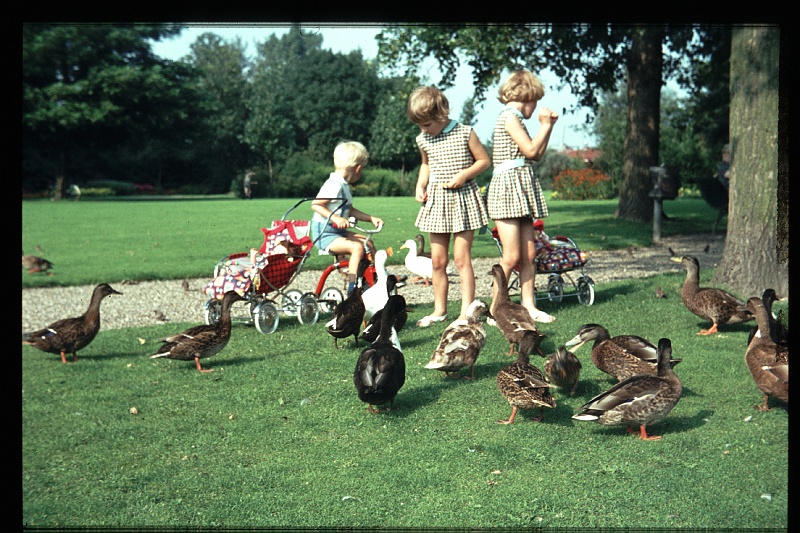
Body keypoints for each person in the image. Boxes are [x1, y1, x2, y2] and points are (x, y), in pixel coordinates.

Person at [406, 86, 491, 327]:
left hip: (463, 200)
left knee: (462, 259)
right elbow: (426, 165)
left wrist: (464, 175)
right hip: (437, 202)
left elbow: (484, 161)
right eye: (419, 125)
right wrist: (420, 185)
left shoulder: (465, 132)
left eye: (427, 124)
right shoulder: (423, 139)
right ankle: (439, 310)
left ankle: (466, 312)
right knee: (437, 261)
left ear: (441, 114)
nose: (423, 130)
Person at [486, 69, 558, 323]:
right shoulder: (509, 118)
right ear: (528, 97)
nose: (535, 107)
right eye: (535, 100)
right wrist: (545, 125)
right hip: (506, 189)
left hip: (521, 188)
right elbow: (530, 148)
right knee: (511, 256)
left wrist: (547, 128)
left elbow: (535, 154)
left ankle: (529, 306)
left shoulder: (516, 119)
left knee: (529, 255)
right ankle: (496, 308)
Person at [311, 141, 384, 296]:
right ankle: (353, 286)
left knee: (368, 242)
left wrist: (370, 218)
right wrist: (336, 218)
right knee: (356, 247)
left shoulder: (343, 185)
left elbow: (349, 210)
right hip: (325, 234)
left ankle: (376, 276)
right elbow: (316, 205)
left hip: (338, 232)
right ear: (358, 168)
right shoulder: (334, 185)